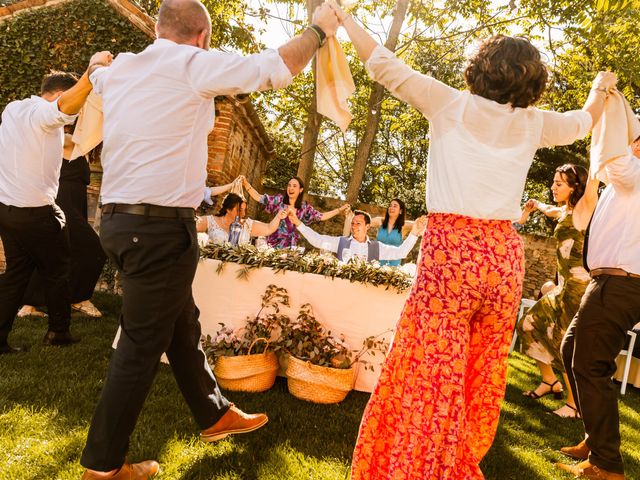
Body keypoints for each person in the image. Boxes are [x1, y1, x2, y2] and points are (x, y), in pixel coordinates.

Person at [328, 3, 614, 477]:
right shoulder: (533, 123)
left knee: (428, 371)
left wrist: (344, 18)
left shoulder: (450, 104)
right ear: (530, 81)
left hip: (452, 254)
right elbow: (584, 120)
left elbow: (381, 64)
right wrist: (601, 89)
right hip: (503, 257)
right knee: (481, 373)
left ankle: (413, 467)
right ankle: (458, 460)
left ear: (480, 69)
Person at [79, 1, 340, 478]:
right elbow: (275, 67)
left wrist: (98, 62)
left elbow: (97, 71)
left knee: (181, 321)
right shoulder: (192, 64)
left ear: (159, 29)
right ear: (201, 37)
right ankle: (102, 467)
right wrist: (319, 31)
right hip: (158, 228)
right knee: (140, 345)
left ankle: (213, 413)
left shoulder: (122, 71)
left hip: (117, 223)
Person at [0, 54, 112, 355]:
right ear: (61, 94)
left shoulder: (14, 109)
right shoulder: (43, 113)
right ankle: (59, 332)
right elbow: (62, 110)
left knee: (16, 275)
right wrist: (91, 72)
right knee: (58, 270)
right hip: (36, 211)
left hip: (6, 210)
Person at [557, 141, 640, 480]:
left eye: (635, 137)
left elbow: (615, 158)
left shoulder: (633, 173)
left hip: (621, 283)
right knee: (570, 350)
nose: (629, 142)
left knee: (591, 364)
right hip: (605, 280)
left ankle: (607, 464)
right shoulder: (622, 178)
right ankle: (595, 438)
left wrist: (608, 116)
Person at [515, 164, 599, 419]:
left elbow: (594, 180)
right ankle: (550, 382)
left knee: (565, 343)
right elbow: (551, 211)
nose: (553, 187)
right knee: (528, 324)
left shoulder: (585, 210)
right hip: (563, 286)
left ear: (576, 188)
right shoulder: (566, 210)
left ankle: (574, 405)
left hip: (578, 288)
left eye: (559, 183)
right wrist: (536, 205)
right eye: (554, 181)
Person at [18, 127, 107, 319]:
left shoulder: (84, 150)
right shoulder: (68, 140)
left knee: (52, 252)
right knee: (95, 249)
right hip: (63, 203)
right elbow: (44, 139)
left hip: (76, 204)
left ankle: (29, 305)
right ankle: (78, 298)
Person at [243, 176, 349, 248]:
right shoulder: (279, 200)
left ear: (301, 190)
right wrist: (246, 184)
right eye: (289, 185)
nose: (291, 188)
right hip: (271, 241)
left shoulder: (304, 207)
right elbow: (259, 197)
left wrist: (339, 210)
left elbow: (321, 216)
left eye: (294, 186)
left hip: (289, 245)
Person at [290, 209, 426, 262]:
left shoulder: (376, 247)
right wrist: (297, 222)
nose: (354, 226)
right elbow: (317, 240)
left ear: (367, 226)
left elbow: (400, 252)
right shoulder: (341, 242)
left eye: (358, 223)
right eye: (353, 223)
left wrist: (414, 233)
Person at [343, 198, 415, 266]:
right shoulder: (379, 221)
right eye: (390, 206)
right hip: (376, 264)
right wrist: (350, 214)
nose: (391, 208)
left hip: (394, 267)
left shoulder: (404, 226)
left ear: (401, 211)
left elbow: (420, 225)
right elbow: (363, 221)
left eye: (395, 206)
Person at [196, 193, 287, 244]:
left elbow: (269, 228)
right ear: (228, 209)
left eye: (244, 210)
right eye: (239, 210)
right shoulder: (211, 221)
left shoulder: (247, 225)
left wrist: (278, 216)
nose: (243, 214)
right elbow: (189, 227)